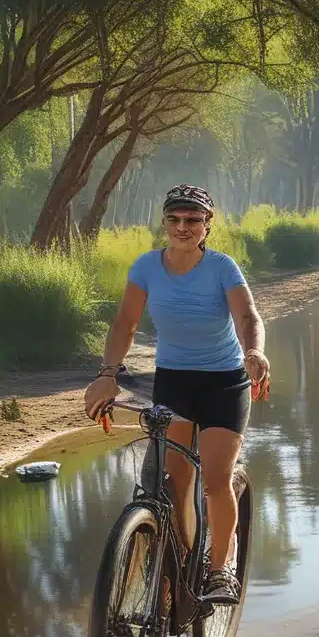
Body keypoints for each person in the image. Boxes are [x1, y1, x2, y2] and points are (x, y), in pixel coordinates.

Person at [83, 184, 270, 604]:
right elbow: (124, 324)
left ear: (208, 224)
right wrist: (108, 373)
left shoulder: (222, 267)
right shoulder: (147, 267)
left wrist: (254, 351)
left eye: (192, 220)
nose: (182, 228)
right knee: (174, 484)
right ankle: (182, 568)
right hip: (173, 382)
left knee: (216, 480)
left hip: (224, 383)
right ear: (164, 222)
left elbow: (247, 316)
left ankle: (220, 571)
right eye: (174, 220)